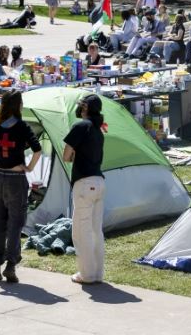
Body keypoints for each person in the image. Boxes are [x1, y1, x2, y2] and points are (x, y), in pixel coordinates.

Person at [0, 91, 42, 283]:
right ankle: (11, 265)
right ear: (19, 106)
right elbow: (37, 149)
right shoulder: (22, 126)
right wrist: (29, 167)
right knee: (15, 225)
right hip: (16, 179)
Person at [62, 93, 106, 285]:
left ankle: (87, 275)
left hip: (84, 184)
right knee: (96, 231)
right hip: (99, 182)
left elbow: (66, 156)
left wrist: (74, 155)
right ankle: (97, 273)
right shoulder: (97, 129)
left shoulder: (80, 126)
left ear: (86, 108)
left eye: (81, 105)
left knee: (82, 231)